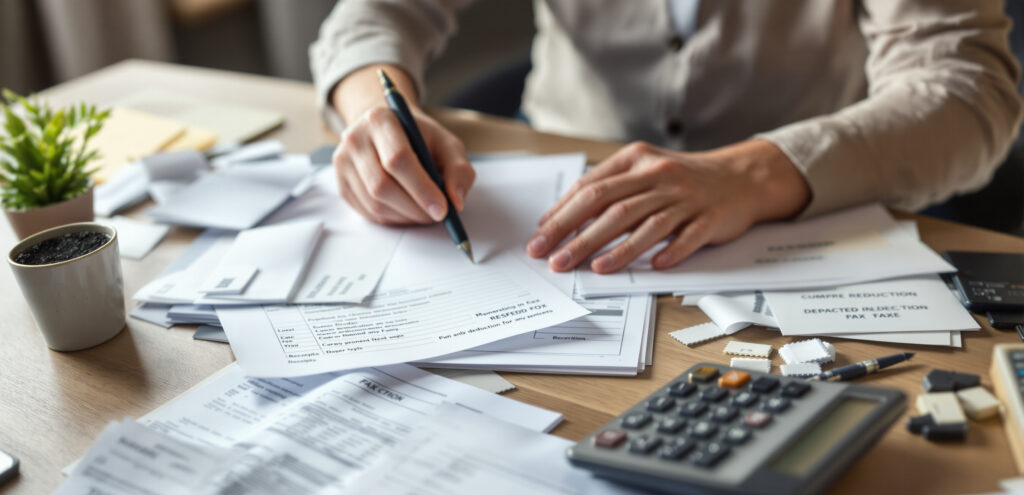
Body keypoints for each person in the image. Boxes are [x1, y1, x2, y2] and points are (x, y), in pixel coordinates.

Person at [310, 1, 1022, 274]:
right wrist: (378, 109)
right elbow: (376, 12)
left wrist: (748, 174)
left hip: (804, 205)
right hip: (551, 197)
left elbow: (966, 88)